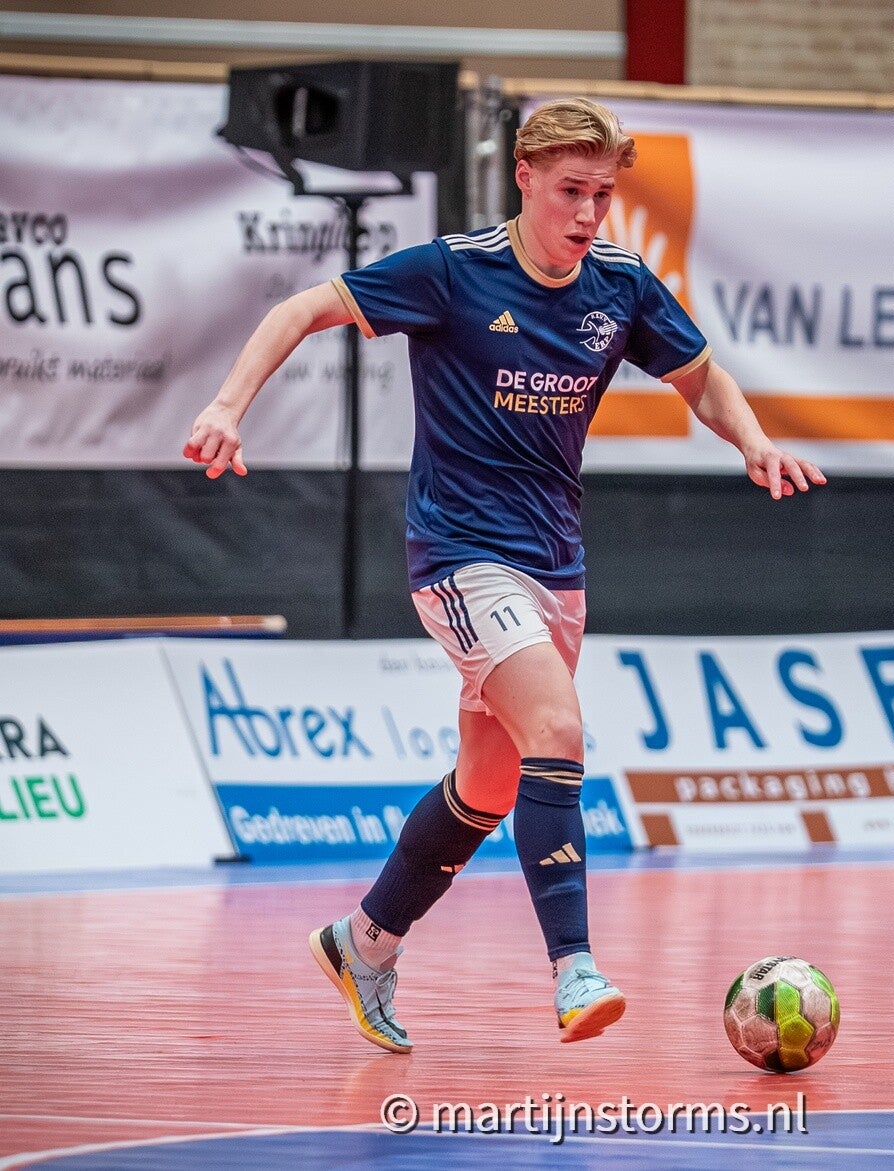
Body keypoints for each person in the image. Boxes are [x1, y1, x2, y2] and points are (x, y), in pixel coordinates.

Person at [184, 97, 826, 1050]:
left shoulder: (619, 285)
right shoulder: (454, 271)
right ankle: (574, 969)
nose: (587, 214)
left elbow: (699, 378)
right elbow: (303, 308)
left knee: (488, 785)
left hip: (555, 564)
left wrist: (753, 440)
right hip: (459, 556)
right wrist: (227, 406)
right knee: (557, 729)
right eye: (570, 191)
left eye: (602, 195)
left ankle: (363, 942)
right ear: (524, 178)